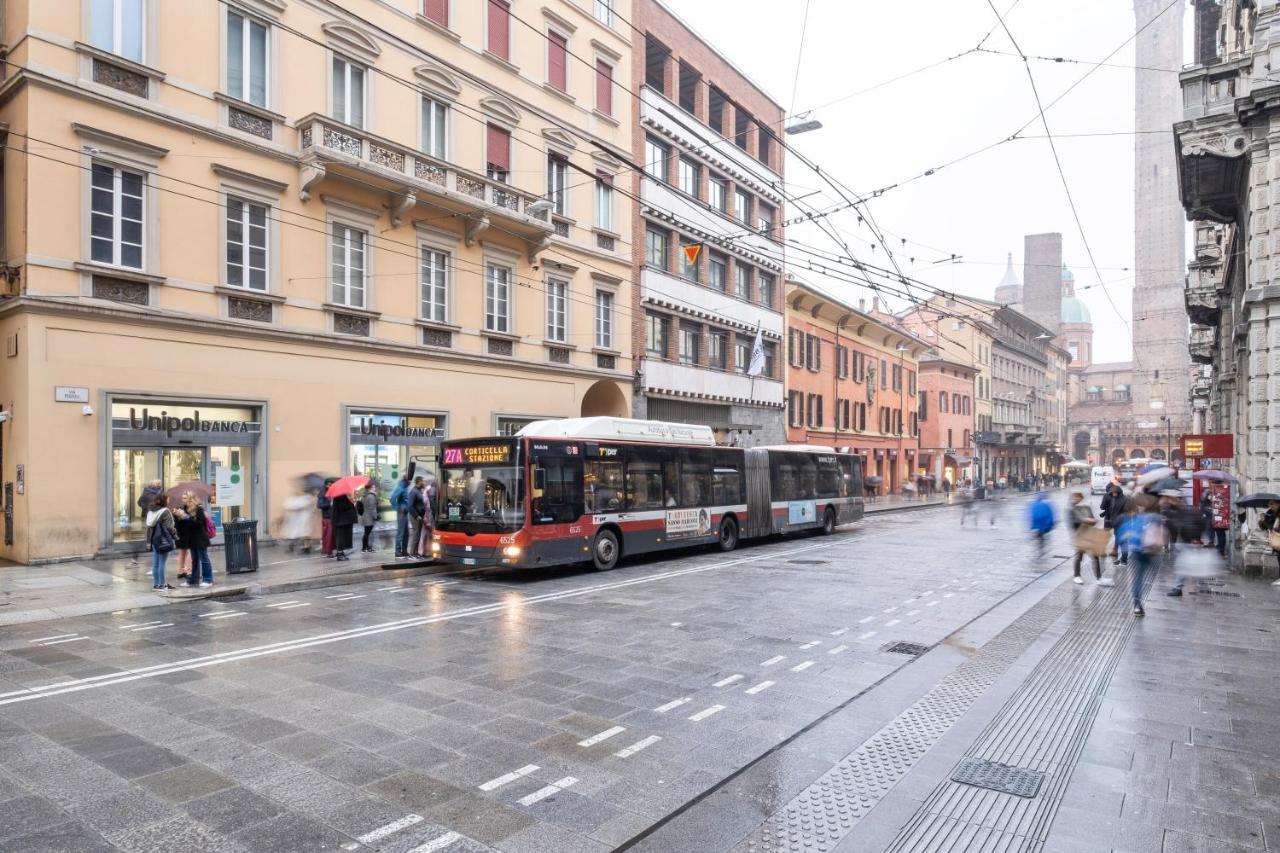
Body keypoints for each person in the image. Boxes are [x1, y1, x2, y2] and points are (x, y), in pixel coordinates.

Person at [1117, 493, 1164, 617]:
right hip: (1151, 551)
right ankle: (1140, 602)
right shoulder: (1156, 517)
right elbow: (1162, 532)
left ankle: (1137, 605)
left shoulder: (1133, 518)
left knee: (1138, 579)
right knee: (1147, 576)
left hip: (1137, 552)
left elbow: (1122, 535)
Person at [1165, 491, 1207, 597]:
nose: (1171, 501)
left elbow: (1201, 524)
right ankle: (1197, 583)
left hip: (1186, 543)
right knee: (1185, 565)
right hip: (1179, 543)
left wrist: (1195, 537)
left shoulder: (1190, 510)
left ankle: (1178, 588)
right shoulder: (1174, 511)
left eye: (1173, 499)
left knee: (1182, 566)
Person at [1068, 491, 1107, 584]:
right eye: (1074, 497)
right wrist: (1085, 520)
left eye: (1078, 497)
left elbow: (1093, 519)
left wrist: (1092, 521)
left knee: (1095, 556)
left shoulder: (1086, 507)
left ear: (1081, 498)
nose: (1076, 499)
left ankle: (1099, 577)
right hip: (1079, 535)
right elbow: (1073, 522)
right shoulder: (1071, 509)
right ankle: (1077, 576)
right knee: (1079, 556)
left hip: (1089, 534)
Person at [145, 494, 176, 591]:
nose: (169, 500)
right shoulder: (165, 511)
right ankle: (162, 585)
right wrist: (175, 535)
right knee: (162, 563)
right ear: (164, 500)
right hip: (163, 539)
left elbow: (149, 527)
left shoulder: (151, 511)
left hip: (154, 539)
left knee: (156, 563)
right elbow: (169, 527)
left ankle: (156, 584)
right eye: (168, 499)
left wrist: (148, 541)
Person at [130, 479, 163, 567]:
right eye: (157, 484)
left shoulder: (160, 493)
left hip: (157, 518)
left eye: (159, 484)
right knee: (147, 537)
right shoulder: (147, 493)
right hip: (148, 518)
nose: (159, 485)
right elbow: (139, 502)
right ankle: (135, 556)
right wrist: (146, 508)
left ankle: (153, 559)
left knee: (154, 537)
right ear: (152, 485)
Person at [185, 498, 213, 588]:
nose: (185, 501)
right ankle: (194, 579)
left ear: (193, 500)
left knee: (204, 559)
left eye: (187, 499)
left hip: (200, 539)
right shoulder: (186, 510)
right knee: (195, 560)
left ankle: (208, 579)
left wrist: (187, 518)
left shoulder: (199, 510)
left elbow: (198, 523)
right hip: (192, 539)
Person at [1100, 481, 1128, 565]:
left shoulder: (1107, 496)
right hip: (1120, 521)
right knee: (1118, 537)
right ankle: (1116, 553)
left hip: (1109, 519)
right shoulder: (1124, 498)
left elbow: (1102, 507)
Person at [172, 493, 195, 581]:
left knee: (184, 552)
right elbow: (189, 521)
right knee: (187, 552)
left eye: (185, 498)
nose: (183, 499)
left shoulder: (185, 508)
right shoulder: (181, 509)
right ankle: (188, 571)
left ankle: (181, 571)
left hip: (184, 533)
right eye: (182, 498)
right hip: (183, 534)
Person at [330, 491, 357, 561]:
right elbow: (343, 507)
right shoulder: (340, 496)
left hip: (341, 520)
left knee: (341, 537)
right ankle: (340, 554)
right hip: (341, 521)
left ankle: (341, 553)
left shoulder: (339, 496)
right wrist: (352, 502)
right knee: (341, 537)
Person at [1028, 491, 1055, 561]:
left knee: (1040, 536)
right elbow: (1050, 514)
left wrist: (1031, 525)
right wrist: (1051, 523)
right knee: (1041, 536)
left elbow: (1031, 514)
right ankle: (1041, 549)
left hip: (1038, 524)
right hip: (1043, 525)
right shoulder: (1046, 504)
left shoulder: (1035, 504)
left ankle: (1040, 548)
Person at [1260, 500, 1280, 586]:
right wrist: (1262, 521)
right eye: (1269, 504)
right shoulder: (1270, 512)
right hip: (1277, 539)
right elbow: (1266, 527)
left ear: (1278, 503)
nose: (1270, 506)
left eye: (1272, 504)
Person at [391, 473, 411, 558]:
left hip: (405, 511)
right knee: (400, 532)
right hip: (402, 511)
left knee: (406, 533)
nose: (410, 481)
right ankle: (398, 552)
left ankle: (404, 551)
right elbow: (392, 498)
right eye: (409, 479)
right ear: (406, 479)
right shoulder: (401, 487)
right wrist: (397, 508)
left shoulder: (405, 487)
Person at [407, 477, 427, 559]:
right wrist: (417, 516)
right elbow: (410, 506)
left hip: (419, 516)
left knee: (418, 535)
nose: (424, 482)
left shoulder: (419, 490)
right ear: (419, 481)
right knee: (416, 534)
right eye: (423, 481)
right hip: (415, 517)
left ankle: (416, 552)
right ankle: (412, 554)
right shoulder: (413, 491)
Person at [359, 484, 379, 554]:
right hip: (369, 517)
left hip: (366, 516)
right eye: (373, 487)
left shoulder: (365, 495)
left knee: (367, 533)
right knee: (367, 533)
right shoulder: (371, 496)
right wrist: (375, 517)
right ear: (370, 488)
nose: (375, 488)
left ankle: (366, 547)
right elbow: (372, 508)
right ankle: (365, 548)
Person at [317, 487, 334, 557]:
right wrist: (330, 503)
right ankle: (328, 552)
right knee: (328, 535)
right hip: (327, 517)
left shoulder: (333, 492)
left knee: (329, 535)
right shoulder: (322, 492)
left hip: (332, 516)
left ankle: (326, 550)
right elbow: (319, 505)